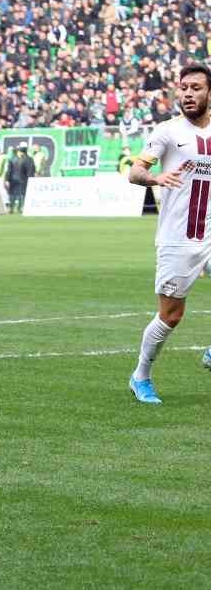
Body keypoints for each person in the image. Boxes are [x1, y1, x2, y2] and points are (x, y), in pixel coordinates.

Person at [127, 63, 211, 404]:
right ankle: (140, 376)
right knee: (171, 315)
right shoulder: (168, 131)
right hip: (179, 239)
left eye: (195, 88)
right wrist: (155, 179)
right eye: (183, 88)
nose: (187, 94)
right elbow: (135, 171)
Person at [5, 144, 35, 213]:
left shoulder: (27, 159)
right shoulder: (12, 159)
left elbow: (30, 170)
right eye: (19, 151)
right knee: (12, 194)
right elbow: (9, 170)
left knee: (22, 194)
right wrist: (7, 179)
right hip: (14, 179)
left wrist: (30, 178)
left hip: (23, 179)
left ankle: (20, 208)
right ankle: (11, 208)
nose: (20, 152)